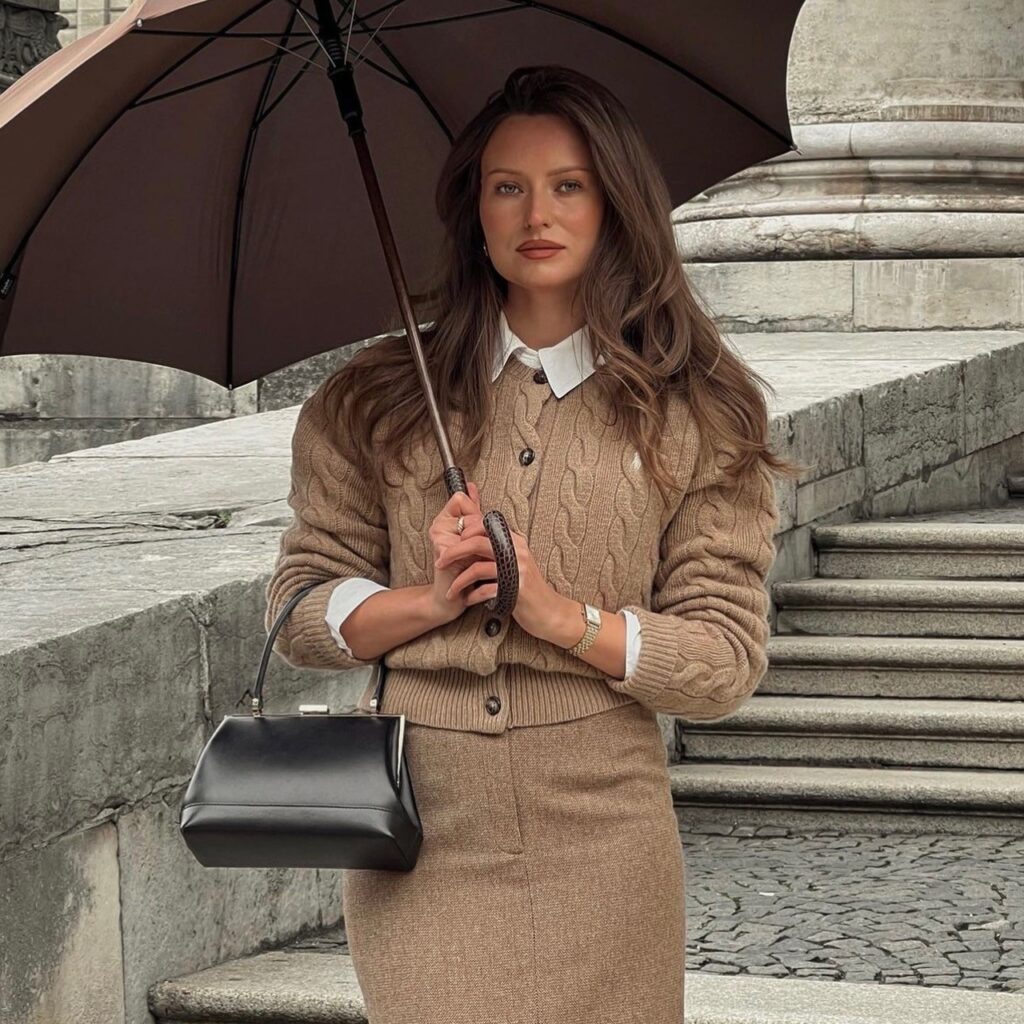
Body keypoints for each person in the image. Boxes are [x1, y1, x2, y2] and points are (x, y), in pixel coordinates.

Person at [265, 64, 800, 1024]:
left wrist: (561, 617)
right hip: (420, 828)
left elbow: (722, 663)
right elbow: (302, 610)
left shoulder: (699, 414)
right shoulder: (375, 401)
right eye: (506, 186)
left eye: (568, 184)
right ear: (474, 208)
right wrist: (428, 602)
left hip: (606, 830)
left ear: (617, 204)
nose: (535, 213)